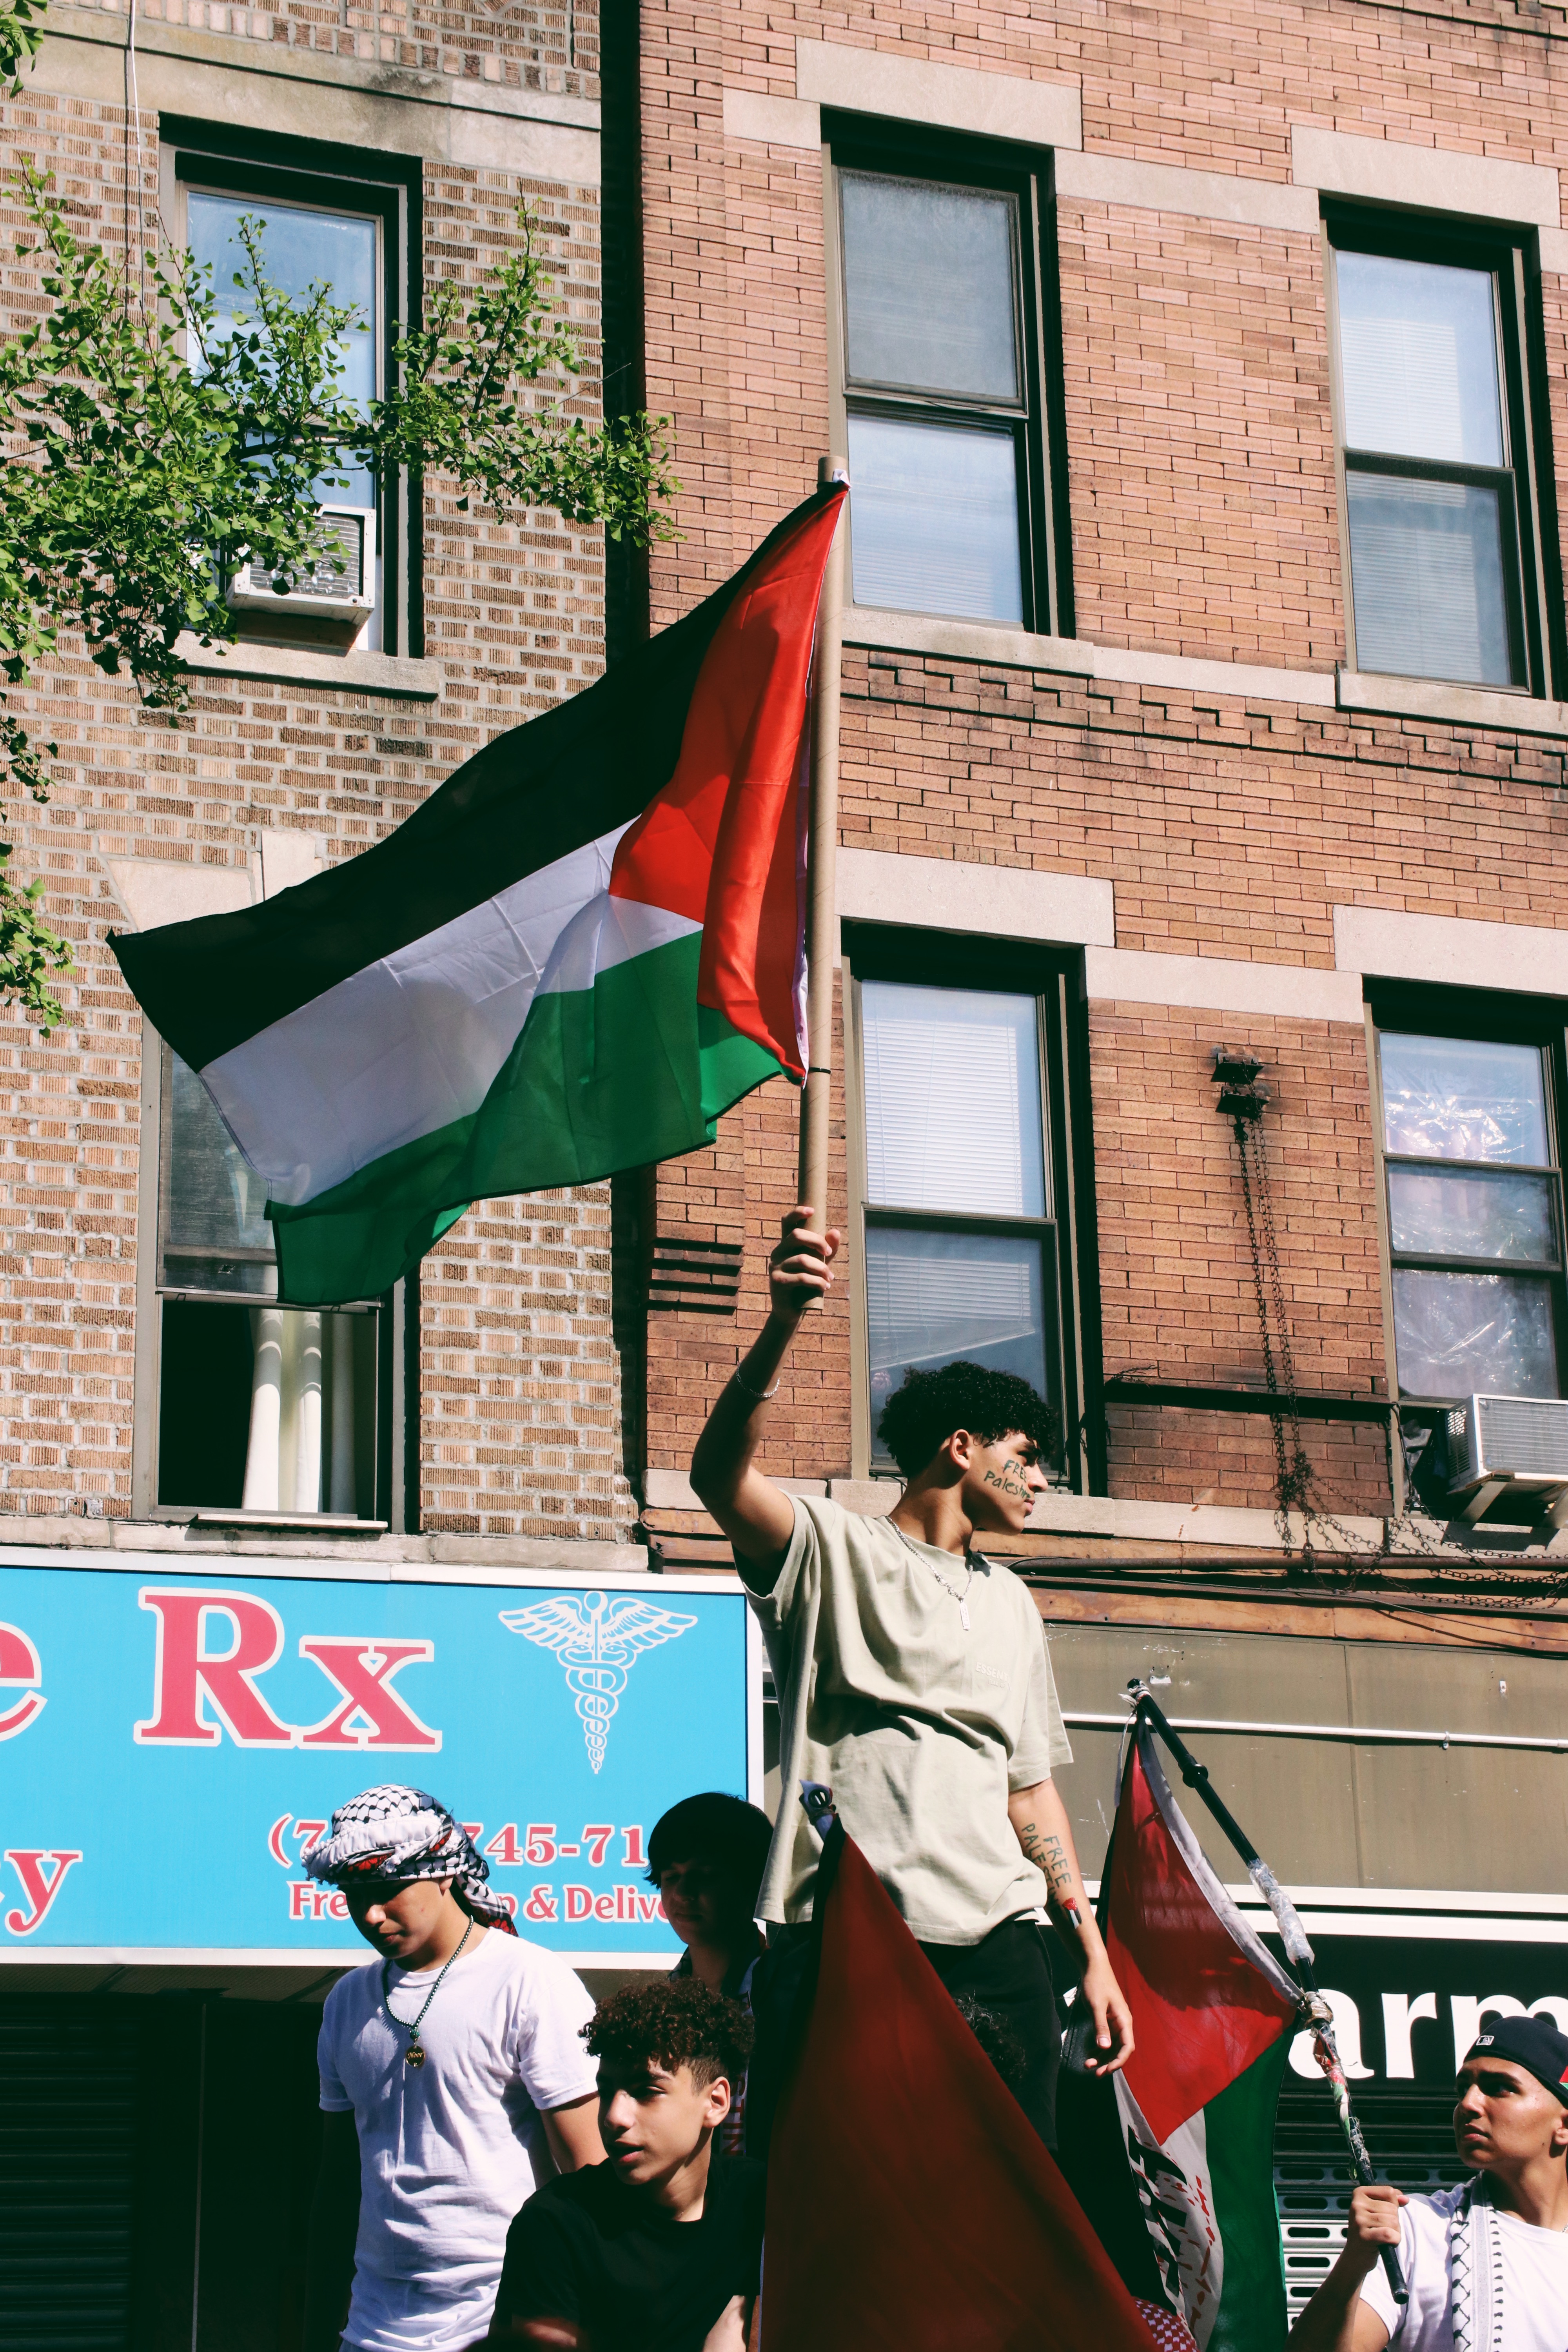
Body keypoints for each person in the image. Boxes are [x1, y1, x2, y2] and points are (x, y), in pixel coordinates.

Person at [689, 1203, 1134, 2152]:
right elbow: (720, 1480)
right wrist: (782, 1320)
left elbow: (1031, 1796)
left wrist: (1089, 1954)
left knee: (1013, 2202)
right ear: (961, 1447)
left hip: (1005, 1944)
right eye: (1025, 1457)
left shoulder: (1013, 1602)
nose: (1041, 1483)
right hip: (853, 1931)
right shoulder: (831, 1549)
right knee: (841, 2195)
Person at [303, 1784, 604, 2352]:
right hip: (371, 2330)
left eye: (390, 1890)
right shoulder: (346, 2001)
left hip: (507, 2321)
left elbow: (589, 2174)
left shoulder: (530, 1981)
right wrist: (317, 2327)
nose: (370, 1913)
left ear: (445, 1875)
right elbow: (338, 2184)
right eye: (353, 1894)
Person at [488, 1976, 764, 2352]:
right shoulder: (557, 2224)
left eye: (646, 2091)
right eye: (607, 2091)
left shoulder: (756, 2201)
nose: (614, 2116)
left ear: (716, 2102)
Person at [1290, 2013, 1568, 2351]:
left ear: (1563, 2124)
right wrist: (1354, 2263)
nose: (1468, 2104)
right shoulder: (1417, 2229)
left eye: (1499, 2089)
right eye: (1463, 2088)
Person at [649, 1792, 772, 2156]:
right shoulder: (662, 2005)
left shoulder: (788, 1993)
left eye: (705, 1876)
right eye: (671, 1877)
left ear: (753, 1885)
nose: (683, 1894)